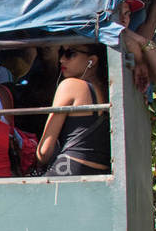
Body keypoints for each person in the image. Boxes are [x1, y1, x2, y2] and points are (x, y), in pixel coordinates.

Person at [35, 46, 109, 177]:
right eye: (61, 53)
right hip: (101, 171)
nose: (62, 60)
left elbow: (44, 151)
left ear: (91, 60)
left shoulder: (70, 85)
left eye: (70, 54)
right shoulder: (107, 89)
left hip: (69, 168)